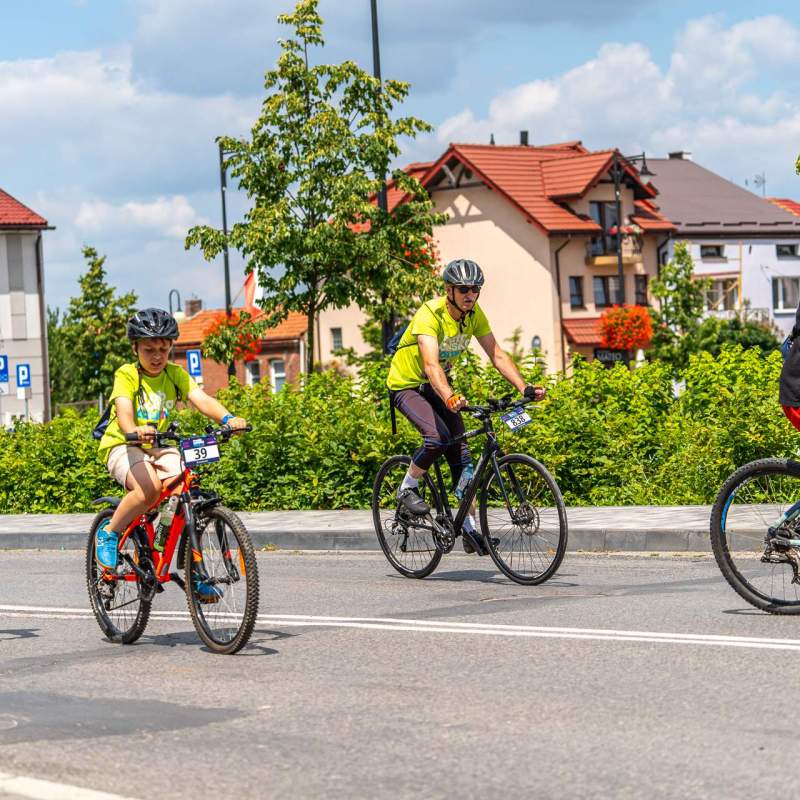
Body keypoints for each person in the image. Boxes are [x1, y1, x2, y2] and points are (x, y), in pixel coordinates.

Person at [386, 258, 545, 555]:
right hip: (408, 384)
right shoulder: (429, 314)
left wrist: (524, 387)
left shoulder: (474, 316)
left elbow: (496, 354)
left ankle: (469, 531)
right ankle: (407, 487)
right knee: (436, 438)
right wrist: (449, 396)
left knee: (462, 457)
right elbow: (432, 366)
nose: (470, 294)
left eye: (475, 289)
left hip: (438, 386)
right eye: (464, 289)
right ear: (449, 290)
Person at [95, 308, 247, 593]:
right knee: (148, 489)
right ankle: (110, 532)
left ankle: (193, 570)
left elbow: (201, 399)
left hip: (157, 446)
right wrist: (134, 430)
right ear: (135, 348)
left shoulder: (175, 374)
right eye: (149, 349)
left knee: (185, 487)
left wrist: (228, 419)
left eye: (163, 349)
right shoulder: (127, 374)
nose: (156, 356)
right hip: (123, 444)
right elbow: (124, 410)